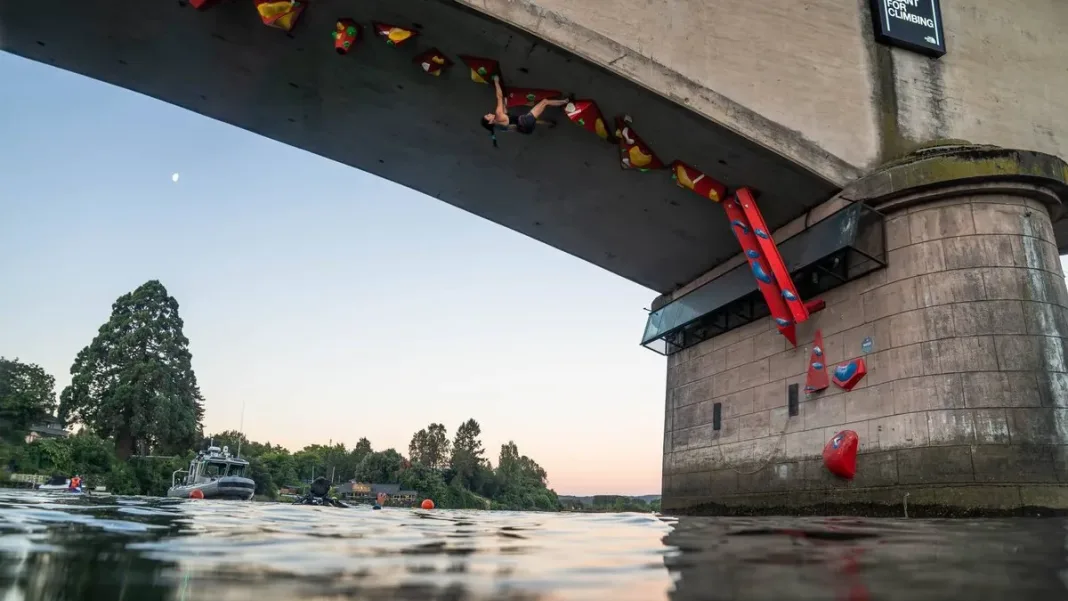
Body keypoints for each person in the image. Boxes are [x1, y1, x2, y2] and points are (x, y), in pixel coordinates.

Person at [480, 75, 569, 147]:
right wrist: (496, 81)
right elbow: (499, 96)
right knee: (544, 102)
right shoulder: (498, 114)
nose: (488, 114)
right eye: (487, 116)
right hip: (525, 121)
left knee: (533, 119)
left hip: (526, 130)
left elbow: (511, 125)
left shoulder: (498, 127)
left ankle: (549, 123)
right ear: (491, 122)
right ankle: (565, 102)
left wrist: (504, 105)